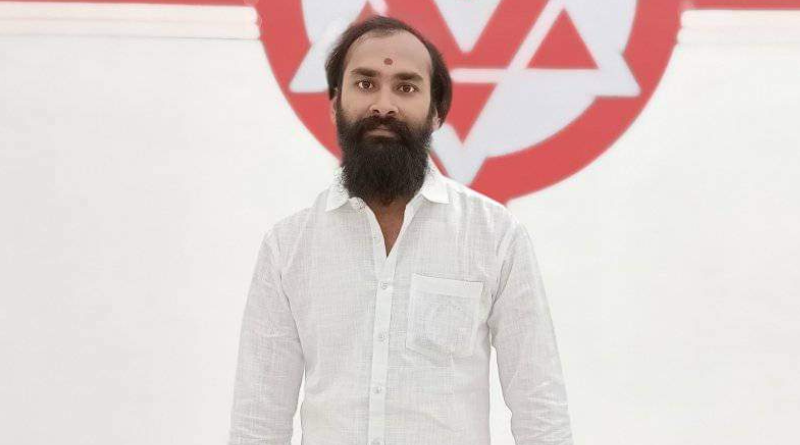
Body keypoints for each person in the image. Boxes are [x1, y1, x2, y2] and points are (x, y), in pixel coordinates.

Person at [227, 15, 574, 445]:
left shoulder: (495, 236)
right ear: (335, 103)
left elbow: (540, 410)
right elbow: (259, 421)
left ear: (436, 113)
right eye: (365, 83)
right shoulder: (289, 247)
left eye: (406, 87)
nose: (383, 105)